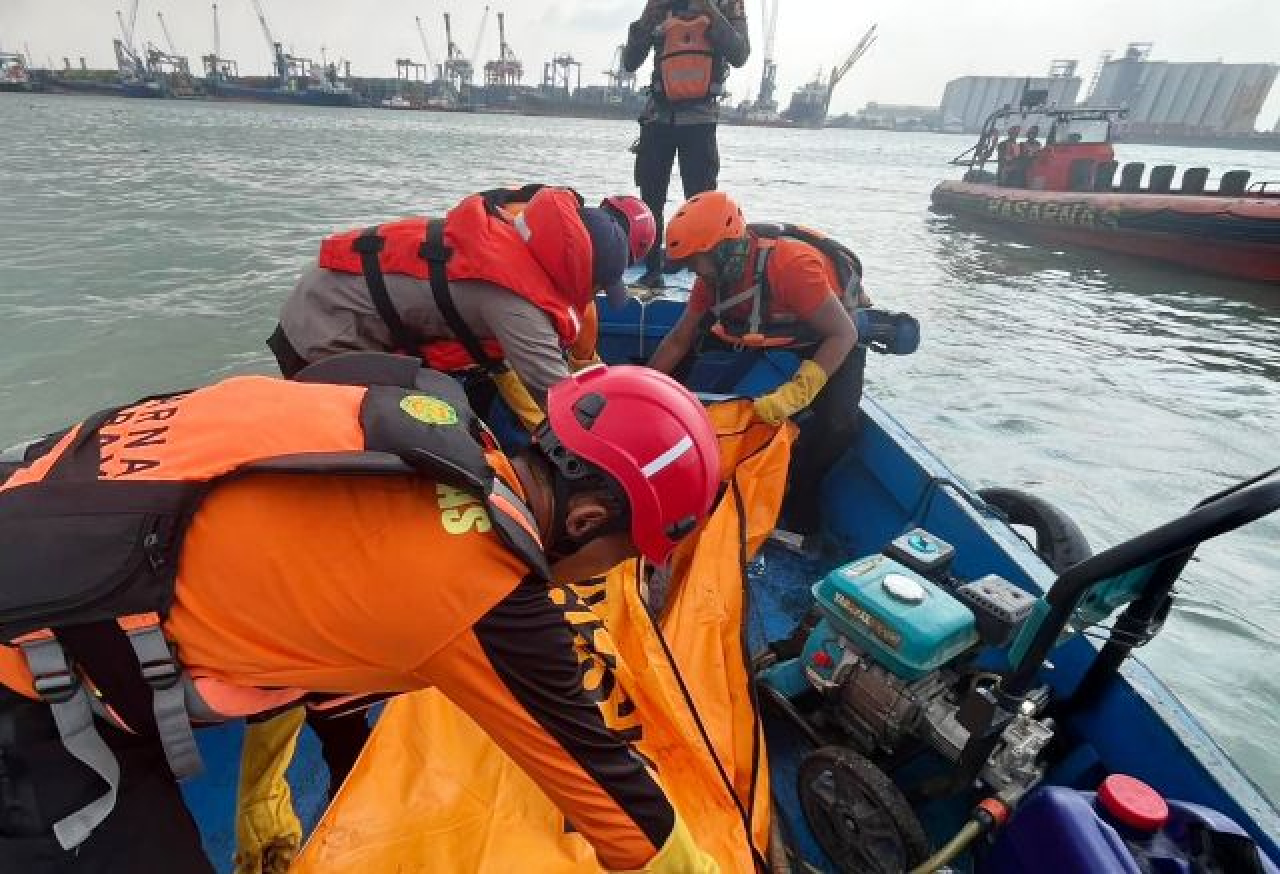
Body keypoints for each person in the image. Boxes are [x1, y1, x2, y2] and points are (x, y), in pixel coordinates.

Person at [0, 356, 722, 874]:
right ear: (588, 518)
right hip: (27, 692)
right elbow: (622, 811)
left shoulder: (406, 404)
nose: (613, 575)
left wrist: (260, 795)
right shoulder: (487, 594)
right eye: (622, 557)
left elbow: (297, 629)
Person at [267, 186, 656, 433]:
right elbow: (565, 407)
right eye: (598, 287)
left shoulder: (510, 233)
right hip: (325, 327)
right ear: (580, 272)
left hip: (327, 296)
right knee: (394, 430)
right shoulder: (518, 307)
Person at [648, 191, 889, 544]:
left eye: (697, 261)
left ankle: (798, 503)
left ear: (725, 250)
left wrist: (797, 391)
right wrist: (647, 384)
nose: (693, 272)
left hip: (828, 335)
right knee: (685, 359)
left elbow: (843, 333)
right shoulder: (710, 282)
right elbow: (678, 340)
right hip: (763, 329)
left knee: (837, 424)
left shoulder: (792, 266)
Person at [623, 0, 750, 288]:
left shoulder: (728, 4)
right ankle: (652, 268)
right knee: (650, 197)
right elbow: (630, 61)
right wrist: (646, 19)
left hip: (700, 120)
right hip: (658, 118)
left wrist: (709, 10)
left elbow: (740, 54)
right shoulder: (660, 5)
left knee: (703, 201)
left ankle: (704, 277)